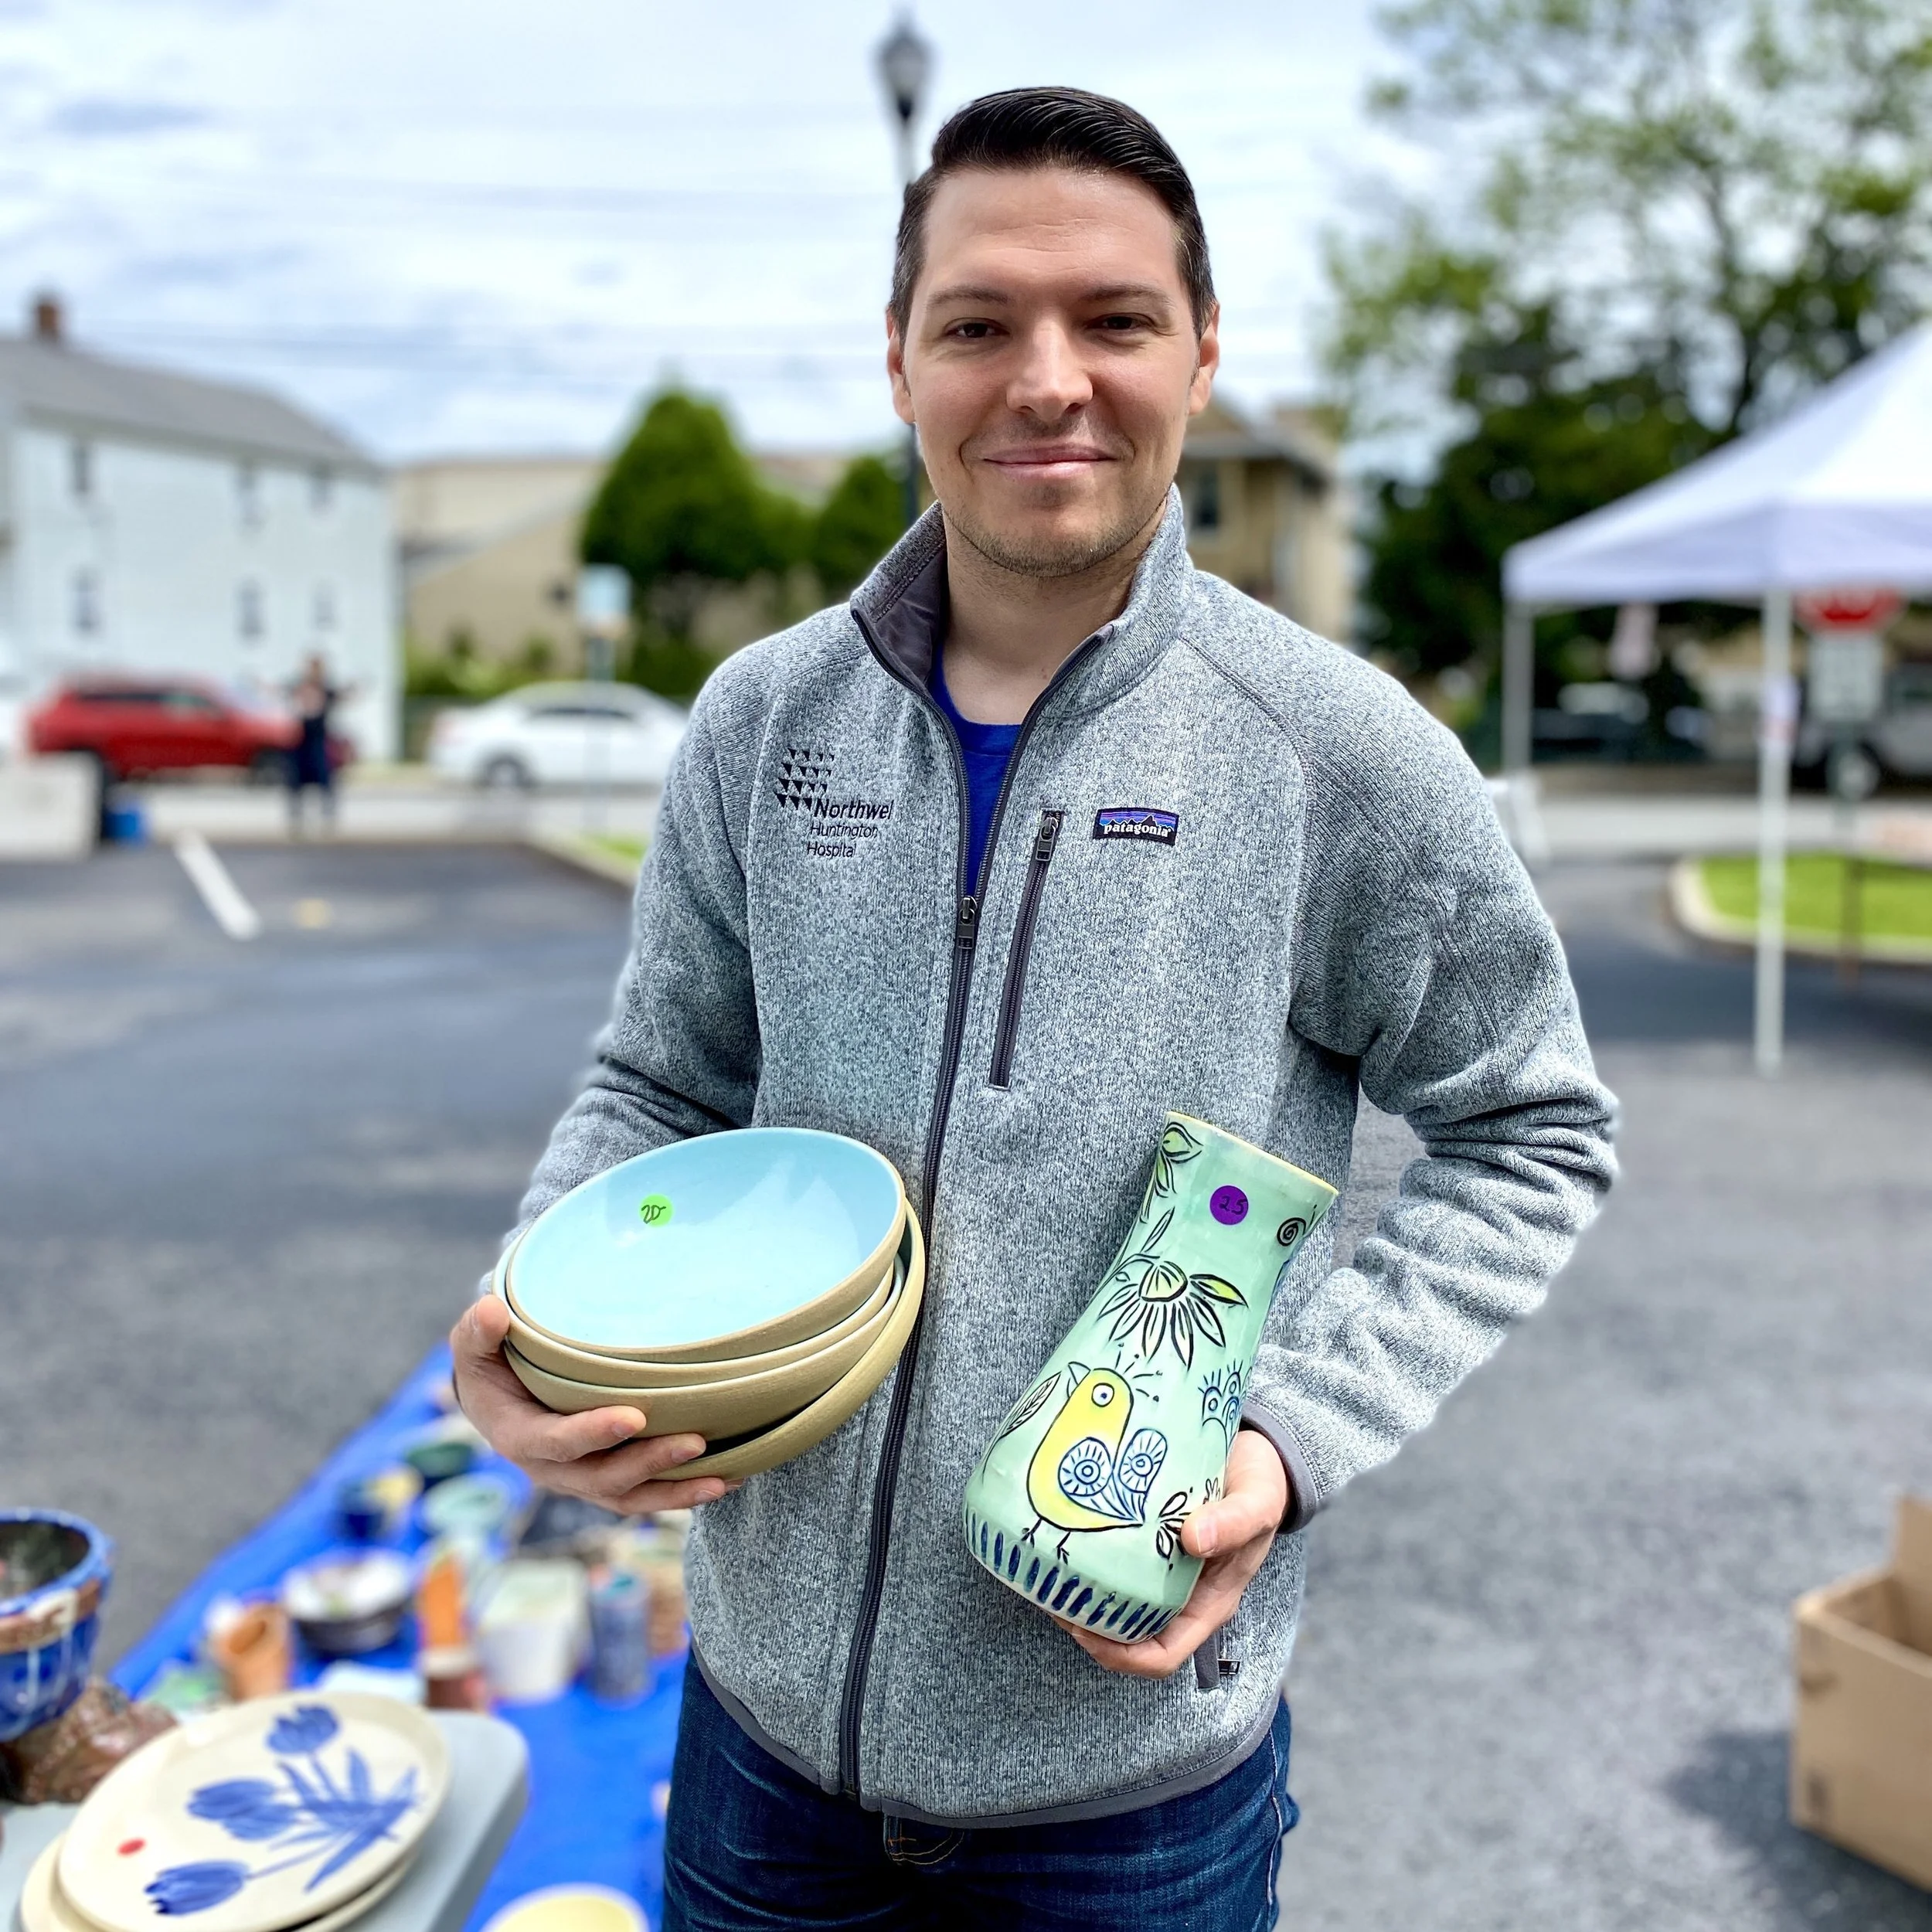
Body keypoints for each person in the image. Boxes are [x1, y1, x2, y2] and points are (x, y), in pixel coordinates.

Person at [451, 87, 1617, 1930]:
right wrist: (543, 1308)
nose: (1047, 378)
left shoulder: (1336, 755)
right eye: (979, 322)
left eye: (1116, 321)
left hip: (1126, 1792)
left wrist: (1296, 1430)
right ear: (901, 358)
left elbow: (1533, 1128)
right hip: (759, 1739)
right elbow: (661, 1076)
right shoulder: (763, 722)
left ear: (1203, 358)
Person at [285, 654, 347, 833]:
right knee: (296, 779)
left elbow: (341, 696)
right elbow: (282, 693)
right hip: (301, 739)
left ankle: (328, 816)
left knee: (325, 777)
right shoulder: (299, 687)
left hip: (319, 740)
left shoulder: (326, 689)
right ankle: (297, 818)